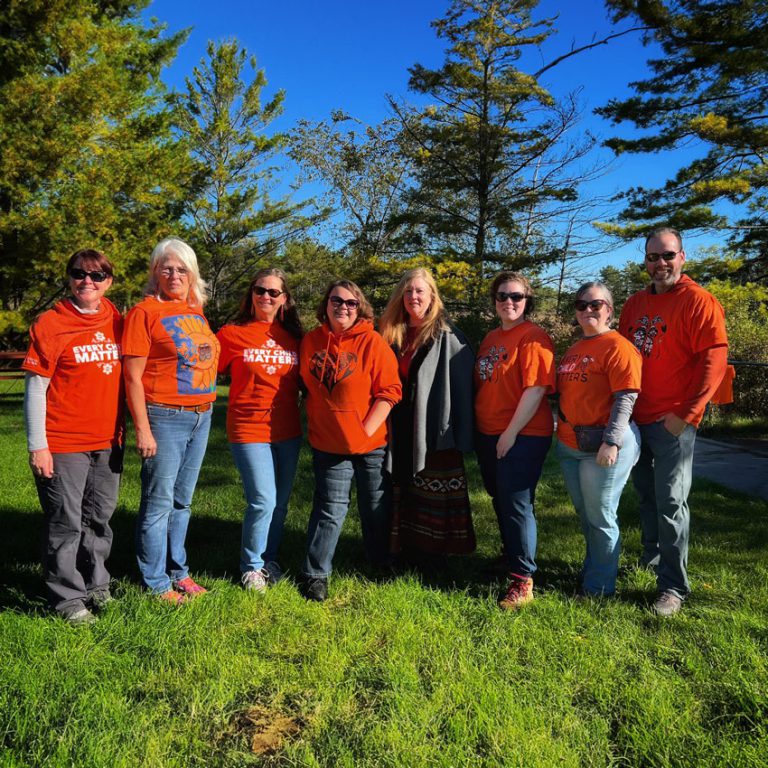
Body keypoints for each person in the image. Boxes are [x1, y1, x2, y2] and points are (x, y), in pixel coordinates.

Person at [619, 227, 728, 616]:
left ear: (683, 257)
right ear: (644, 262)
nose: (660, 263)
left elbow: (714, 361)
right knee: (647, 498)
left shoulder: (699, 302)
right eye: (652, 257)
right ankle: (651, 560)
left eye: (668, 255)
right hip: (637, 419)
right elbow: (621, 356)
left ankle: (673, 586)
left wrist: (686, 414)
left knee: (671, 503)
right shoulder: (633, 304)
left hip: (673, 423)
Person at [23, 249, 124, 625]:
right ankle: (67, 598)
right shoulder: (51, 323)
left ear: (108, 282)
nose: (88, 282)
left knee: (99, 518)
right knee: (65, 522)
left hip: (108, 440)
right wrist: (38, 446)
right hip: (63, 441)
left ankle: (97, 584)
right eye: (79, 274)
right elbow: (35, 389)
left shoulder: (116, 319)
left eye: (97, 276)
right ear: (69, 278)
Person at [123, 238, 220, 604]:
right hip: (165, 417)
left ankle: (178, 571)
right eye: (167, 268)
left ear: (191, 274)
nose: (174, 274)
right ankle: (156, 581)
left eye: (182, 269)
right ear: (155, 273)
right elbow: (132, 377)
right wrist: (143, 429)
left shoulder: (195, 310)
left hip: (202, 415)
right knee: (158, 500)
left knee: (183, 501)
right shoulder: (143, 313)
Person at [299, 280, 402, 601]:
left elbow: (390, 391)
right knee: (330, 509)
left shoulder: (373, 342)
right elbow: (304, 385)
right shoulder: (311, 341)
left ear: (360, 308)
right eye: (336, 300)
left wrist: (366, 430)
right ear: (326, 304)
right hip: (328, 445)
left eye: (351, 303)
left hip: (370, 445)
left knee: (374, 506)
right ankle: (316, 573)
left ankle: (378, 559)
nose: (343, 307)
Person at [379, 268, 475, 557]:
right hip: (397, 424)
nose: (413, 297)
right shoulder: (390, 332)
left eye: (420, 291)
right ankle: (400, 547)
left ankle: (435, 553)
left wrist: (460, 432)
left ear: (432, 295)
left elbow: (462, 389)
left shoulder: (448, 335)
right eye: (408, 291)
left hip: (434, 427)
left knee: (433, 490)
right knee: (400, 485)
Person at [217, 269, 303, 591]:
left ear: (284, 299)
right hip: (248, 428)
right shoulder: (231, 334)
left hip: (287, 430)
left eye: (273, 292)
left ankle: (269, 558)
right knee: (263, 500)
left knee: (279, 502)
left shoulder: (294, 338)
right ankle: (251, 566)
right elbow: (199, 365)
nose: (265, 296)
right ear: (251, 293)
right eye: (260, 290)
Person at [556, 282, 642, 598]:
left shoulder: (618, 347)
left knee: (601, 516)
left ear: (609, 308)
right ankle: (593, 570)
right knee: (587, 513)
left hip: (601, 446)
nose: (588, 310)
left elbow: (626, 397)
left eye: (596, 304)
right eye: (581, 305)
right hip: (569, 444)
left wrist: (612, 442)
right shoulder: (576, 348)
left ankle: (599, 588)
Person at [475, 272, 555, 610]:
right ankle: (512, 556)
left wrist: (510, 433)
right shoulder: (491, 337)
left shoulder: (535, 337)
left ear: (527, 301)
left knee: (517, 503)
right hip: (488, 432)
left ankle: (523, 580)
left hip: (522, 435)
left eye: (517, 297)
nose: (509, 302)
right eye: (502, 296)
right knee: (501, 499)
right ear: (494, 301)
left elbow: (535, 389)